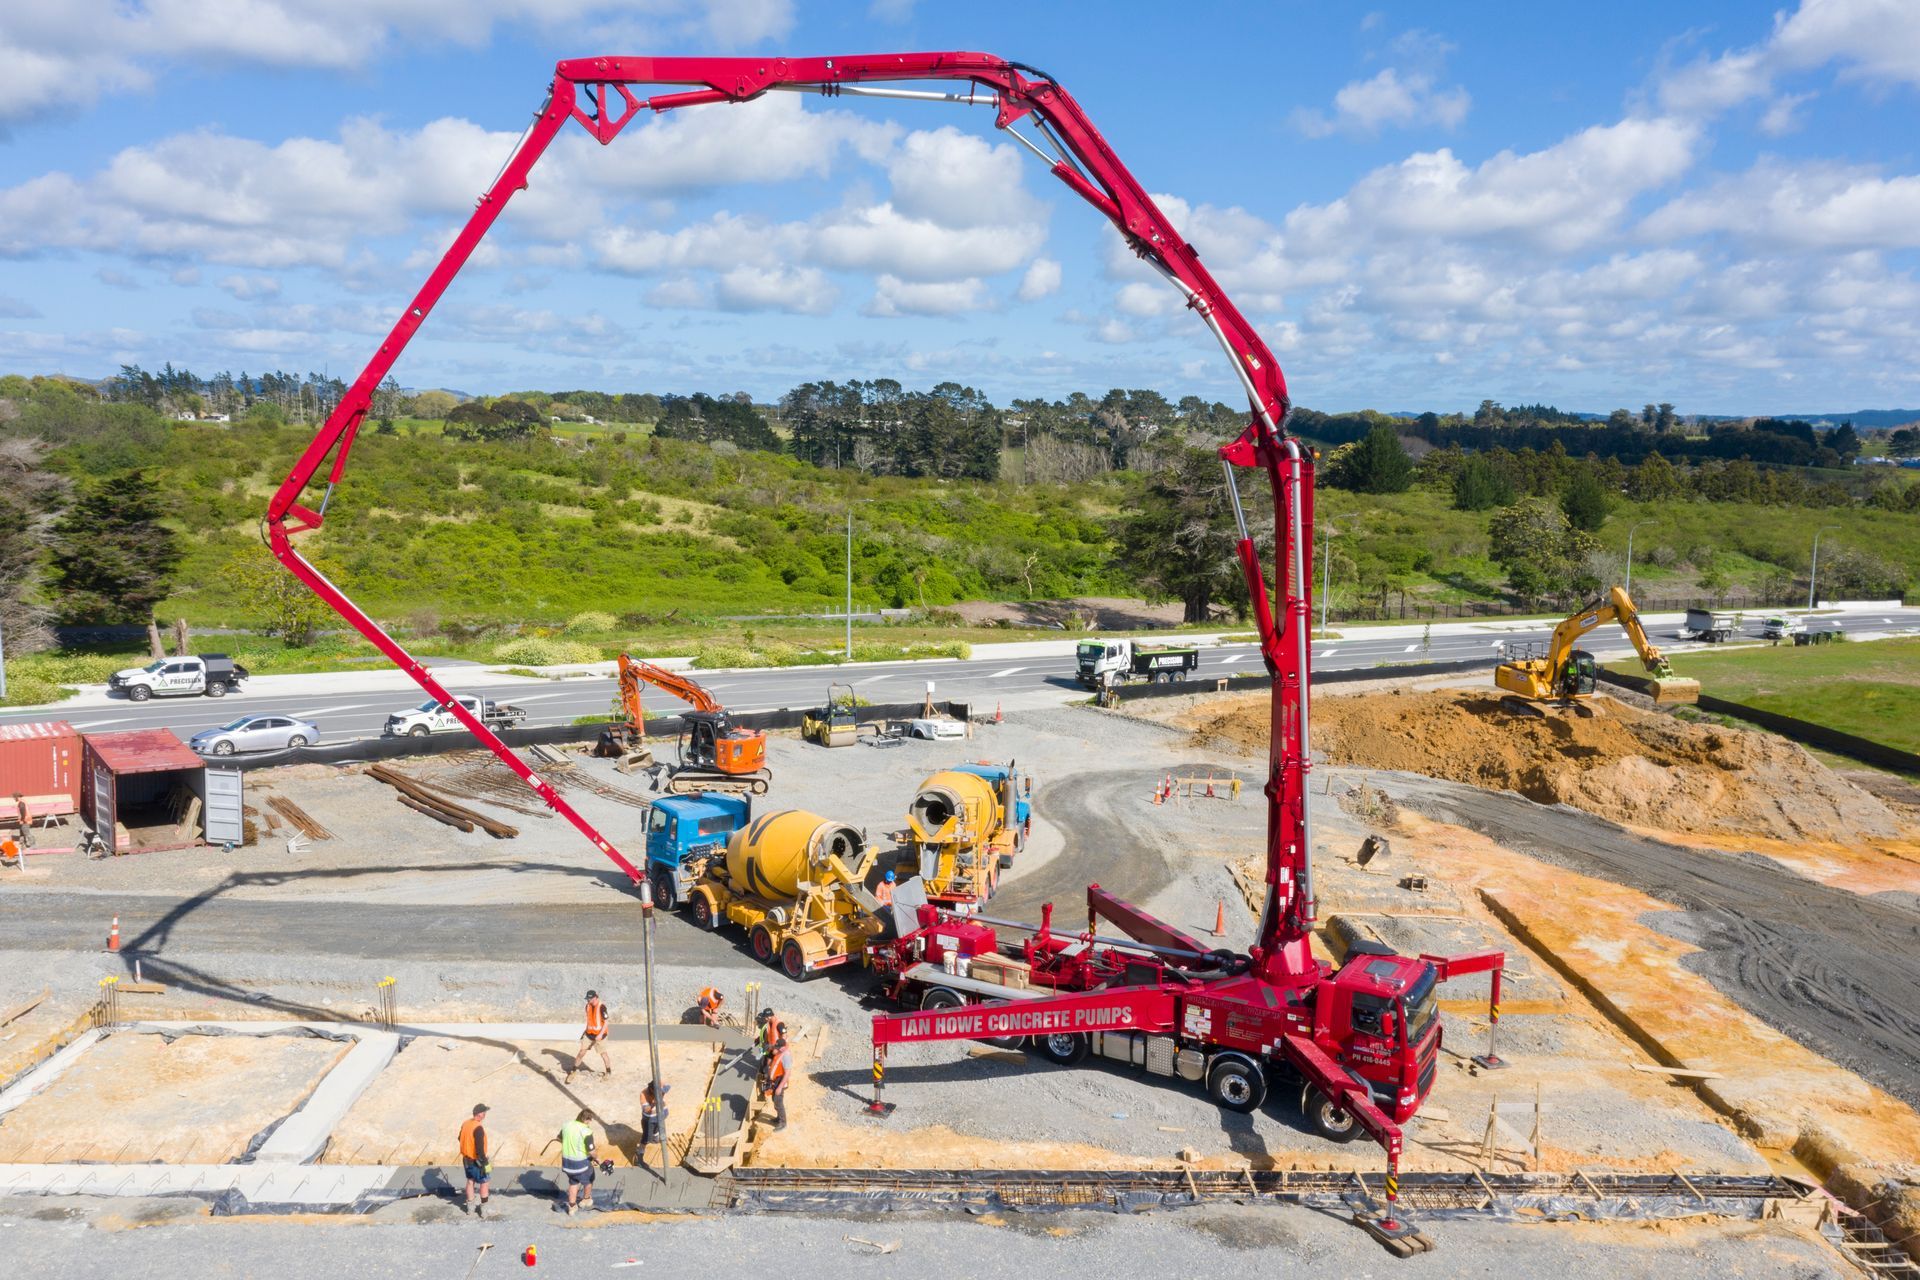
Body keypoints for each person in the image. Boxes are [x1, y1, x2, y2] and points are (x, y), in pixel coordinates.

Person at [565, 989, 612, 1084]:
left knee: (603, 1054)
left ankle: (608, 1072)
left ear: (595, 997)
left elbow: (606, 1022)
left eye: (589, 999)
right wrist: (585, 1032)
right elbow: (590, 1021)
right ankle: (573, 1071)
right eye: (587, 999)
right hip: (589, 1034)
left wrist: (600, 1034)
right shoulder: (587, 1006)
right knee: (581, 1052)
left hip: (600, 1036)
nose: (588, 1001)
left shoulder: (602, 1007)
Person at [557, 1109, 597, 1215]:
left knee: (573, 1181)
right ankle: (586, 1199)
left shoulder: (566, 1125)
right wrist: (597, 1158)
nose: (589, 1123)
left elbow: (559, 1138)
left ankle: (572, 1206)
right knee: (589, 1179)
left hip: (567, 1163)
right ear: (585, 1119)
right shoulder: (586, 1131)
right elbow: (591, 1151)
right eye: (589, 1120)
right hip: (580, 1164)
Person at [458, 1103, 492, 1218]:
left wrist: (468, 1146)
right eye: (484, 1112)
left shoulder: (465, 1123)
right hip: (477, 1160)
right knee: (484, 1183)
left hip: (466, 1159)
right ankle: (484, 1210)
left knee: (470, 1181)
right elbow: (479, 1148)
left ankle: (470, 1209)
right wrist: (484, 1162)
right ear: (480, 1114)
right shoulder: (478, 1128)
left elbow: (459, 1138)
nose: (485, 1114)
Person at [637, 1081, 669, 1173]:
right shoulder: (643, 1094)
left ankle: (655, 1139)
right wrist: (654, 1103)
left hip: (661, 1115)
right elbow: (646, 1110)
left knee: (658, 1129)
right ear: (651, 1090)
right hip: (649, 1119)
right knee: (646, 1138)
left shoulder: (660, 1085)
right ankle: (639, 1157)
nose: (661, 1094)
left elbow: (667, 1087)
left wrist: (661, 1095)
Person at [764, 1035, 791, 1132]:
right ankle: (779, 1118)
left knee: (778, 1102)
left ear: (783, 1047)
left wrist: (780, 1087)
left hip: (780, 1082)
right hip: (775, 1080)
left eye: (778, 1048)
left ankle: (783, 1123)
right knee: (774, 1100)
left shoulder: (786, 1056)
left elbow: (788, 1073)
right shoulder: (780, 1051)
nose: (776, 1049)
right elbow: (774, 1051)